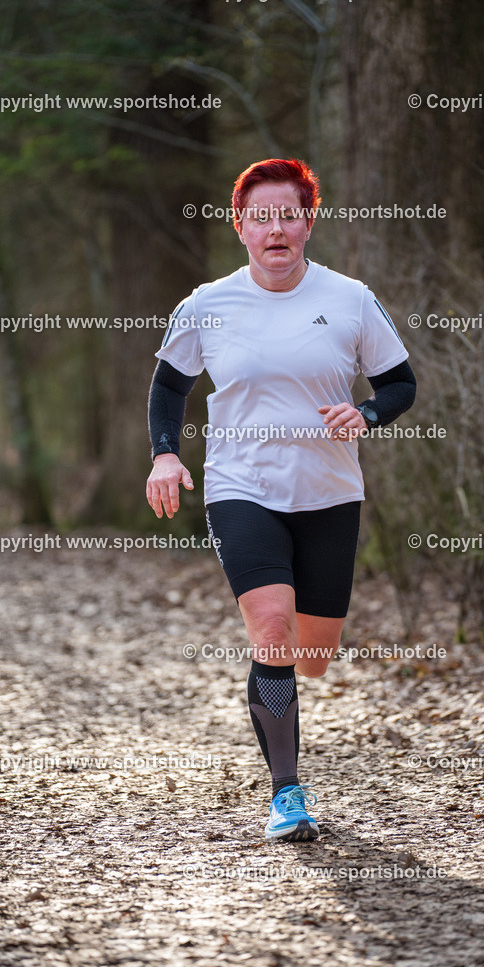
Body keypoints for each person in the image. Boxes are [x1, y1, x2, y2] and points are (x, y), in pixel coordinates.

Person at [146, 158, 416, 842]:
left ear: (307, 223)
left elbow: (400, 384)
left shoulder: (351, 298)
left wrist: (368, 414)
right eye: (260, 217)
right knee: (271, 631)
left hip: (328, 492)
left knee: (312, 654)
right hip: (240, 487)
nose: (275, 229)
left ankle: (289, 689)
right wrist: (166, 454)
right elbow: (170, 385)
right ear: (240, 227)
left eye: (287, 215)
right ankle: (286, 795)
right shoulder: (206, 304)